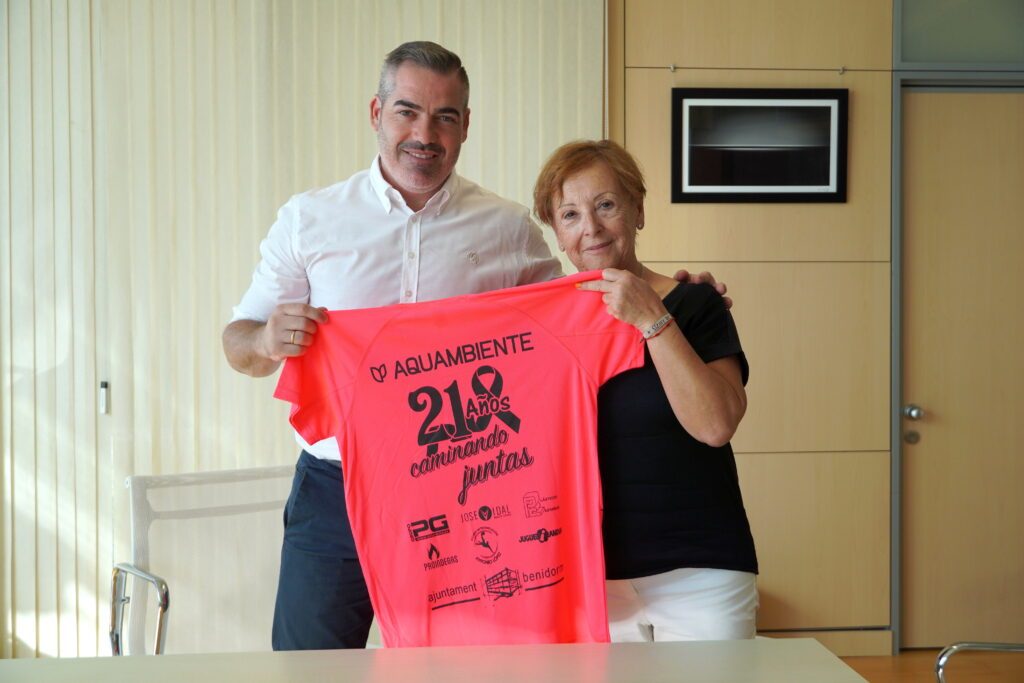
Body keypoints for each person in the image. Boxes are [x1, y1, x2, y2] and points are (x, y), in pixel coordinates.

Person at [224, 41, 728, 650]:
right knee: (310, 662)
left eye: (445, 116)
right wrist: (266, 339)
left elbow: (582, 310)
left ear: (466, 125)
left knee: (465, 664)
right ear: (377, 113)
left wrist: (680, 297)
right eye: (407, 111)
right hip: (335, 488)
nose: (424, 133)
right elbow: (238, 342)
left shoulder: (508, 228)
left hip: (464, 490)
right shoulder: (309, 219)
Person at [532, 139, 758, 641]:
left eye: (606, 205)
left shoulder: (695, 303)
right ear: (557, 233)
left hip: (701, 572)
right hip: (591, 577)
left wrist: (653, 319)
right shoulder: (542, 329)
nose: (591, 228)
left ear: (637, 210)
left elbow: (716, 425)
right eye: (569, 215)